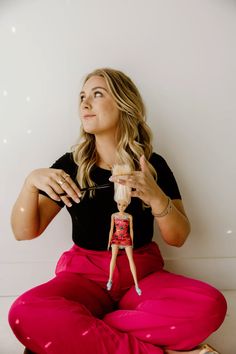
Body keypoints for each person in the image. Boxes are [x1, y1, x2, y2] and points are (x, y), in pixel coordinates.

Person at [8, 68, 227, 354]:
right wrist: (29, 183)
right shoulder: (72, 165)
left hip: (142, 278)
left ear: (124, 103)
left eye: (97, 94)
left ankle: (87, 329)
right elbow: (24, 232)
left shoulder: (152, 165)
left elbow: (178, 237)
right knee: (23, 312)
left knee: (211, 306)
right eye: (82, 97)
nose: (84, 104)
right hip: (84, 278)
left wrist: (157, 197)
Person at [107, 164, 142, 296]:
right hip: (116, 237)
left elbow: (131, 230)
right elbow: (111, 229)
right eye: (120, 204)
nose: (121, 206)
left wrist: (132, 241)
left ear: (127, 204)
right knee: (113, 258)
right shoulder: (114, 215)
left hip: (126, 238)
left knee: (131, 260)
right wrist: (109, 241)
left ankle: (137, 285)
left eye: (124, 204)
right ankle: (110, 280)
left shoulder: (129, 216)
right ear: (116, 203)